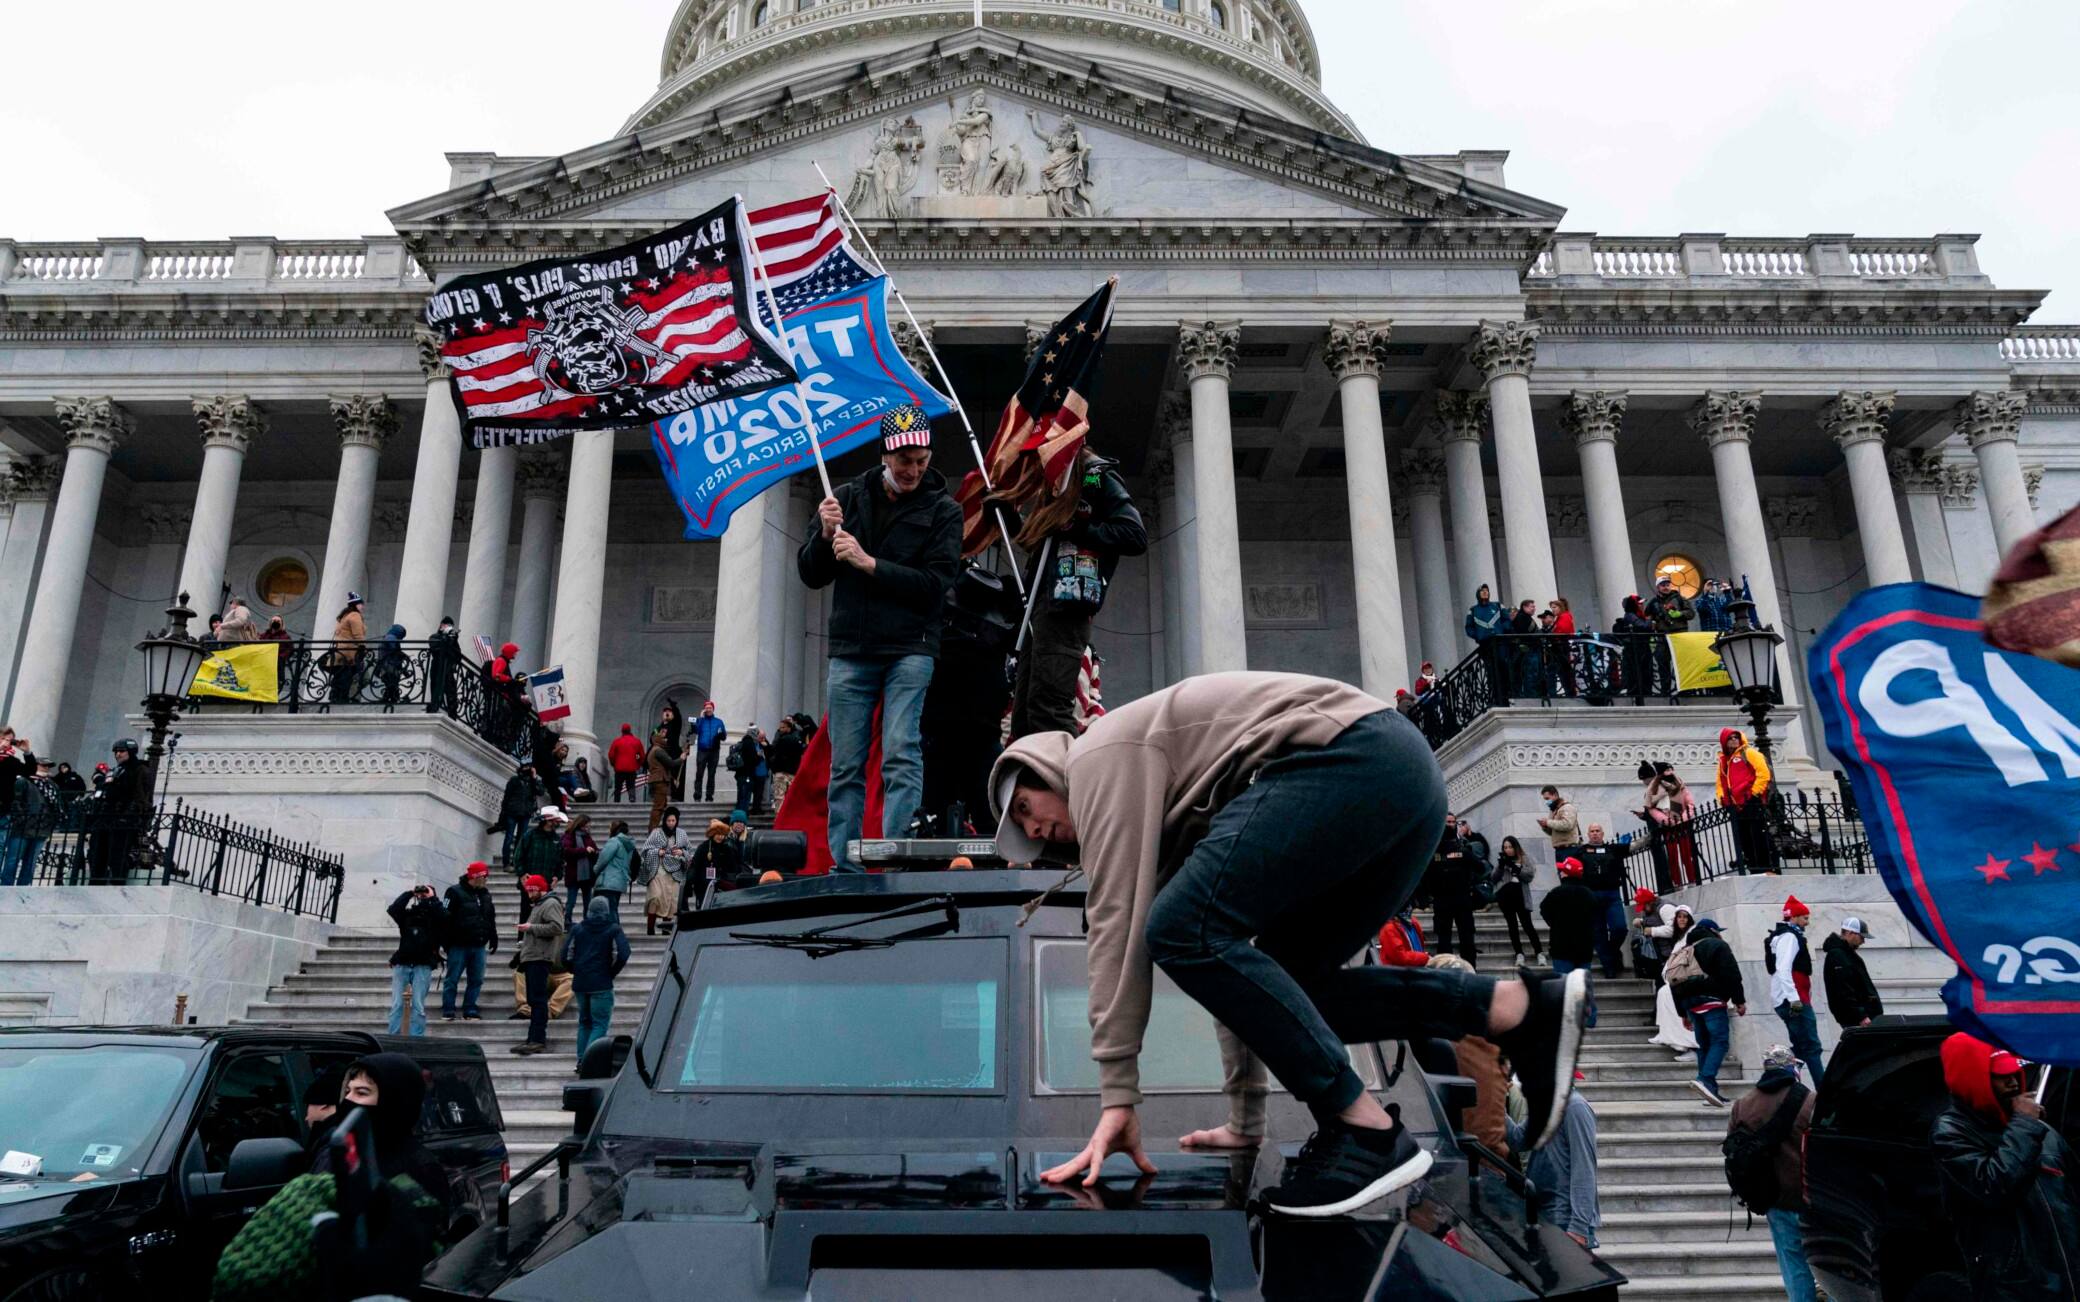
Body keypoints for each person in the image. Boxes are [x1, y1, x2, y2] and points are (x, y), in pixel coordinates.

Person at [991, 672, 1588, 1216]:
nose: (1036, 830)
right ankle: (1515, 1008)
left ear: (1047, 770)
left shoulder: (1099, 757)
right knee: (1289, 982)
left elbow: (1117, 929)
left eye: (1026, 808)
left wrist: (1117, 1097)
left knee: (1177, 929)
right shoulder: (1167, 810)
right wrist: (1246, 1120)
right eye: (1026, 835)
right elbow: (1240, 978)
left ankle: (1366, 1131)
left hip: (1352, 759)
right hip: (1401, 781)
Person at [799, 420, 962, 874]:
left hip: (911, 646)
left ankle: (895, 859)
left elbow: (936, 584)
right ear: (886, 456)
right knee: (845, 764)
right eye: (906, 461)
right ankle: (846, 866)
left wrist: (871, 565)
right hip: (853, 648)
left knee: (900, 749)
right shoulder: (847, 499)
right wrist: (825, 535)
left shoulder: (944, 510)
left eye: (922, 461)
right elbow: (811, 574)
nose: (914, 470)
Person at [1010, 445, 1147, 738]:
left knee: (1048, 707)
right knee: (1024, 712)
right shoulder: (1056, 484)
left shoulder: (1092, 476)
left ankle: (1060, 781)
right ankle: (1029, 779)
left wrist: (1075, 527)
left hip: (1067, 607)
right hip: (1040, 607)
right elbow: (1039, 540)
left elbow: (1133, 535)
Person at [1931, 1031, 2080, 1302]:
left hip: (2065, 1277)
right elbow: (1995, 1185)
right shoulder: (1951, 1133)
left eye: (2015, 1074)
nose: (2013, 1083)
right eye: (2001, 1077)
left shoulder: (2039, 1131)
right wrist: (2024, 1125)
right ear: (1975, 1079)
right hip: (2015, 1287)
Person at [1726, 1044, 1817, 1302]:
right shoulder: (1810, 1101)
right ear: (1792, 1067)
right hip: (1811, 1196)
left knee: (1792, 1262)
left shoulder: (1743, 1105)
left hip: (1774, 1198)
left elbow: (1733, 1149)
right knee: (1826, 1260)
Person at [1667, 916, 1745, 1105]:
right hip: (1712, 1001)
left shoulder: (1684, 950)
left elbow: (1674, 983)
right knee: (1720, 1042)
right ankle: (1705, 1079)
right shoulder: (1718, 946)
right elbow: (1732, 973)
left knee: (1704, 1045)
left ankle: (1710, 1091)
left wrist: (1682, 1013)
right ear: (1713, 931)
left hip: (1691, 1005)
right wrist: (1739, 1000)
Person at [1512, 1089, 1600, 1249]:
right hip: (1543, 1214)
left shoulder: (1575, 1106)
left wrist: (1578, 1227)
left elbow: (1584, 1169)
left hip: (1565, 1221)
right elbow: (1518, 1139)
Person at [562, 895, 630, 1065]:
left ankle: (580, 1060)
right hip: (601, 983)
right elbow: (623, 954)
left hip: (581, 983)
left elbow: (564, 955)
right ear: (606, 911)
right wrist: (611, 973)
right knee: (599, 1024)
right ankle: (589, 1062)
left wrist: (575, 970)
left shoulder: (577, 929)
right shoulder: (613, 929)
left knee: (584, 1022)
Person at [1767, 895, 1826, 1079]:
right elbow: (1783, 969)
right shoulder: (1790, 937)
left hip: (1789, 999)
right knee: (1812, 1047)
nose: (1807, 922)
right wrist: (1794, 1000)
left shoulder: (1784, 937)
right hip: (1794, 1000)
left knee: (1801, 1048)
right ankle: (1824, 1095)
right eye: (1805, 918)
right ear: (1793, 917)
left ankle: (1782, 1083)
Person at [1540, 857, 1600, 1025]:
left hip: (1561, 946)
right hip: (1584, 947)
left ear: (1566, 874)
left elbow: (1544, 910)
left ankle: (1566, 1020)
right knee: (1584, 984)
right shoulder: (1589, 894)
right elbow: (1595, 916)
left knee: (1563, 985)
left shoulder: (1556, 893)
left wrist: (1556, 924)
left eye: (1562, 870)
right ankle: (1589, 1018)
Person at [511, 875, 564, 1056]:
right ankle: (532, 1038)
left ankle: (537, 1039)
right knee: (534, 1000)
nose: (529, 893)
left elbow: (557, 927)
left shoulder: (550, 904)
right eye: (528, 890)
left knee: (538, 1000)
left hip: (540, 958)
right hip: (533, 957)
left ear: (541, 889)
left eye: (532, 890)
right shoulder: (540, 904)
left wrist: (530, 928)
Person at [439, 861, 498, 1021]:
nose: (486, 880)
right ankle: (448, 1008)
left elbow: (490, 917)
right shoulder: (454, 892)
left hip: (478, 944)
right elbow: (444, 917)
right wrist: (446, 943)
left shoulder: (485, 894)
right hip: (459, 944)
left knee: (477, 979)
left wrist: (493, 936)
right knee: (452, 978)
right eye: (484, 876)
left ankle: (470, 1008)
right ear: (476, 876)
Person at [384, 883, 445, 1036]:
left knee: (418, 1005)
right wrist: (410, 893)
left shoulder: (435, 916)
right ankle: (393, 1037)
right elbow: (393, 909)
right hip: (403, 963)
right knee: (397, 1004)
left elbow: (445, 916)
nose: (422, 895)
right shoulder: (408, 915)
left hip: (423, 965)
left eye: (425, 893)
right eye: (421, 893)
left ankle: (416, 1037)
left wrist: (433, 898)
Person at [1422, 812, 1480, 967]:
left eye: (1453, 822)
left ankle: (1470, 969)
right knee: (1444, 939)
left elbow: (1480, 868)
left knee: (1466, 937)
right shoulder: (1432, 849)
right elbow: (1425, 876)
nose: (1450, 825)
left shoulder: (1463, 847)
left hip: (1462, 898)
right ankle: (1444, 971)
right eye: (1447, 822)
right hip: (1442, 900)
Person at [1574, 824, 1628, 978]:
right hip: (1591, 895)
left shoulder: (1613, 849)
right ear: (1588, 834)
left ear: (1602, 833)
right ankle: (1608, 967)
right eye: (1592, 831)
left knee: (1620, 928)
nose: (1595, 834)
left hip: (1612, 894)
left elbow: (1635, 846)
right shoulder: (1581, 852)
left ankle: (1612, 951)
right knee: (1599, 933)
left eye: (1598, 831)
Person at [1717, 726, 1775, 872]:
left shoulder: (1749, 753)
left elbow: (1764, 773)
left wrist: (1754, 794)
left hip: (1750, 801)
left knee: (1758, 836)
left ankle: (1767, 867)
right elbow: (1720, 782)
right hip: (1735, 806)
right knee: (1744, 840)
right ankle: (1754, 868)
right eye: (1730, 738)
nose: (1734, 740)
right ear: (1724, 741)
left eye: (1736, 737)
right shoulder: (1724, 761)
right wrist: (1723, 799)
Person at [88, 738, 145, 884]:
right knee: (96, 855)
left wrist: (127, 817)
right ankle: (95, 883)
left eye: (121, 751)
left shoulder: (139, 769)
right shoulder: (115, 770)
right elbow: (106, 789)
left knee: (117, 857)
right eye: (116, 752)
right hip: (104, 818)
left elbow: (139, 796)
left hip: (121, 821)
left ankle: (116, 885)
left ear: (130, 752)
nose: (118, 754)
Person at [1647, 906, 1700, 1054]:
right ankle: (1666, 1034)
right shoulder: (1681, 936)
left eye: (1685, 917)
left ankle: (1686, 1044)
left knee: (1670, 998)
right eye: (1679, 917)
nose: (1682, 919)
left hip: (1687, 982)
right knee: (1663, 993)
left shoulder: (1691, 934)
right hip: (1676, 982)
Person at [0, 745, 51, 887]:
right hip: (22, 828)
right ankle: (6, 887)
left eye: (48, 766)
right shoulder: (23, 781)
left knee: (30, 863)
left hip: (42, 828)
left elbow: (57, 806)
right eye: (43, 765)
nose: (46, 768)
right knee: (12, 860)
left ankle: (24, 888)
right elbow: (15, 801)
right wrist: (21, 819)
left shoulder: (51, 785)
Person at [1822, 916, 1883, 1029]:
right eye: (1861, 937)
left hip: (1862, 1017)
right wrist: (1861, 1016)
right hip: (1857, 1019)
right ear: (1850, 933)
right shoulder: (1838, 955)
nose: (1863, 941)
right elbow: (1843, 990)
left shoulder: (1847, 954)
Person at [640, 807, 693, 935]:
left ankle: (666, 928)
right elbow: (645, 850)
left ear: (677, 821)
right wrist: (658, 851)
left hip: (675, 871)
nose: (670, 823)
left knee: (671, 900)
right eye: (668, 820)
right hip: (658, 868)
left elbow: (690, 852)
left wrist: (682, 852)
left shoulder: (682, 834)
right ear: (664, 820)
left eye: (673, 820)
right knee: (655, 897)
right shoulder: (656, 832)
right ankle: (650, 928)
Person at [1490, 835, 1542, 962]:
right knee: (1512, 925)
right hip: (1506, 896)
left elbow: (1529, 875)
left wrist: (1515, 867)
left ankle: (1539, 951)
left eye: (1510, 847)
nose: (1508, 850)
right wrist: (1501, 866)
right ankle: (1519, 952)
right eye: (1505, 847)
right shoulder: (1502, 860)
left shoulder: (1524, 858)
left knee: (1527, 924)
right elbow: (1493, 878)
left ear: (1515, 847)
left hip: (1521, 895)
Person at [513, 806, 566, 925]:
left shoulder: (557, 839)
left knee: (544, 913)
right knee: (526, 912)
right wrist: (521, 873)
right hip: (529, 881)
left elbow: (560, 862)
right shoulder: (530, 835)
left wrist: (557, 876)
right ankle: (522, 939)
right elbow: (518, 856)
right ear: (546, 820)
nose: (556, 823)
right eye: (553, 820)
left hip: (546, 884)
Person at [495, 762, 544, 869]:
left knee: (521, 839)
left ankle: (515, 863)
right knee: (509, 838)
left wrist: (534, 777)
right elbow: (506, 797)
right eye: (525, 767)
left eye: (529, 767)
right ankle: (506, 863)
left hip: (526, 813)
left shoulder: (533, 782)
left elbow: (541, 792)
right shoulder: (514, 780)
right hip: (512, 812)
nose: (527, 769)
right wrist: (503, 814)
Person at [591, 820, 637, 921]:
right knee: (613, 908)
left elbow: (603, 860)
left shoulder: (614, 841)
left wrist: (594, 870)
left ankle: (616, 933)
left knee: (610, 910)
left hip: (608, 881)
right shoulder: (628, 845)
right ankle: (614, 933)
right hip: (619, 881)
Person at [689, 817, 740, 905]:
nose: (720, 837)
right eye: (718, 834)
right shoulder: (703, 847)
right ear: (712, 834)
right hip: (704, 886)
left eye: (722, 834)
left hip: (723, 887)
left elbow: (733, 867)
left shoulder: (727, 849)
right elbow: (695, 866)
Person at [327, 592, 367, 703]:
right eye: (360, 604)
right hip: (349, 652)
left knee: (339, 675)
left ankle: (334, 696)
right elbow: (358, 634)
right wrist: (363, 646)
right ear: (356, 605)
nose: (362, 606)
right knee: (346, 676)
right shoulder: (355, 615)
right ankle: (342, 697)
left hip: (340, 652)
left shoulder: (344, 615)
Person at [1613, 594, 1656, 697]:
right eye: (1640, 603)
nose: (1642, 605)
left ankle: (1645, 693)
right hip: (1636, 651)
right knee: (1637, 674)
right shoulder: (1631, 615)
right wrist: (1650, 621)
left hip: (1642, 649)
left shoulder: (1638, 615)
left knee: (1645, 673)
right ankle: (1639, 695)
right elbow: (1643, 626)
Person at [560, 812, 599, 921]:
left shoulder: (587, 837)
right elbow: (566, 851)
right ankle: (567, 921)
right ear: (580, 824)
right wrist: (584, 850)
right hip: (574, 874)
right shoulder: (569, 836)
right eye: (586, 825)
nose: (588, 827)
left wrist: (595, 852)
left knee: (588, 903)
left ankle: (587, 922)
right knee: (571, 902)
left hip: (587, 875)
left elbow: (594, 849)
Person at [690, 702, 726, 802]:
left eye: (710, 708)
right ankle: (697, 795)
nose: (708, 710)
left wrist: (720, 735)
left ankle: (709, 796)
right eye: (706, 708)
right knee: (699, 773)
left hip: (714, 751)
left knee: (711, 774)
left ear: (713, 709)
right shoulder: (700, 720)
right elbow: (696, 731)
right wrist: (700, 718)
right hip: (702, 750)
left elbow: (724, 737)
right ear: (704, 709)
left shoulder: (719, 721)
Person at [767, 716, 804, 807]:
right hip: (792, 772)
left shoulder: (782, 739)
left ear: (789, 727)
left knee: (779, 797)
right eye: (780, 727)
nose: (780, 729)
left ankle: (779, 819)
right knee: (791, 797)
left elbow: (776, 754)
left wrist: (774, 766)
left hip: (782, 771)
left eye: (783, 727)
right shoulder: (797, 738)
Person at [1535, 783, 1579, 858]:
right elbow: (1552, 832)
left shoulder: (1567, 807)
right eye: (1545, 799)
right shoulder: (1554, 810)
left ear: (1555, 795)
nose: (1546, 802)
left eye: (1547, 798)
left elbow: (1567, 825)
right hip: (1559, 850)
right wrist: (1545, 826)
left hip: (1570, 849)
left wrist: (1548, 822)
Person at [427, 615, 460, 715]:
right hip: (437, 666)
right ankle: (434, 706)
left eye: (451, 626)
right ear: (441, 625)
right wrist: (445, 637)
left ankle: (452, 711)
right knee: (436, 687)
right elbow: (436, 648)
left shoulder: (453, 639)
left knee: (451, 690)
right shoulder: (434, 636)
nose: (449, 627)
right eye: (447, 625)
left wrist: (453, 639)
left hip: (448, 668)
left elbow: (457, 655)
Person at [731, 726, 768, 814]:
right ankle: (741, 820)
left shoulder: (745, 741)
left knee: (741, 798)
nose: (758, 735)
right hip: (747, 774)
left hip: (741, 774)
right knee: (744, 799)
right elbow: (752, 759)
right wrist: (759, 756)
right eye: (757, 733)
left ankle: (739, 819)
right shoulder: (749, 742)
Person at [605, 723, 645, 802]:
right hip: (631, 768)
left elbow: (611, 754)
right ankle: (632, 797)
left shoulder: (617, 741)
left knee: (618, 787)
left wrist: (614, 764)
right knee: (631, 785)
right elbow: (642, 756)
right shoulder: (637, 741)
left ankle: (616, 801)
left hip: (619, 768)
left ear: (622, 731)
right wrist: (637, 765)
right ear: (630, 731)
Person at [374, 622, 408, 706]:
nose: (401, 638)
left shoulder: (389, 636)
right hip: (390, 665)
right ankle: (392, 699)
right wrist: (403, 655)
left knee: (391, 684)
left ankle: (390, 699)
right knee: (392, 683)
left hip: (388, 665)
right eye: (402, 635)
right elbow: (394, 649)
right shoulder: (391, 637)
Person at [1464, 583, 1505, 648]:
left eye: (1487, 590)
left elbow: (1507, 620)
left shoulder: (1497, 606)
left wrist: (1502, 631)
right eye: (1482, 590)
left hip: (1500, 642)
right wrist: (1478, 636)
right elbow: (1469, 627)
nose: (1485, 592)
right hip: (1484, 644)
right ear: (1478, 593)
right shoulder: (1473, 610)